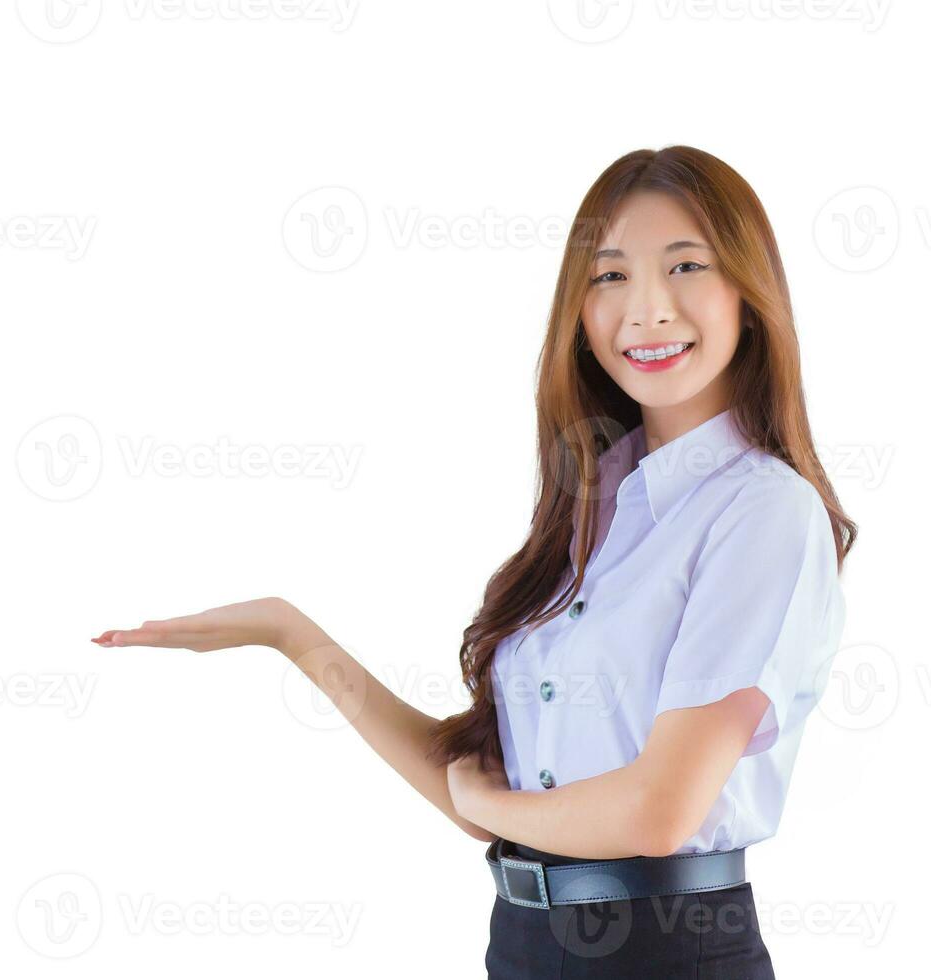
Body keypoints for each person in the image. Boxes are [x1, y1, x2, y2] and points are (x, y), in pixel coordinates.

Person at [92, 145, 857, 978]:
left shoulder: (763, 509)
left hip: (668, 948)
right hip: (523, 941)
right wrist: (290, 634)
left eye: (685, 267)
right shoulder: (594, 510)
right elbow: (481, 785)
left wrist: (493, 808)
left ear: (750, 293)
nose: (646, 311)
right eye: (609, 277)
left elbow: (658, 813)